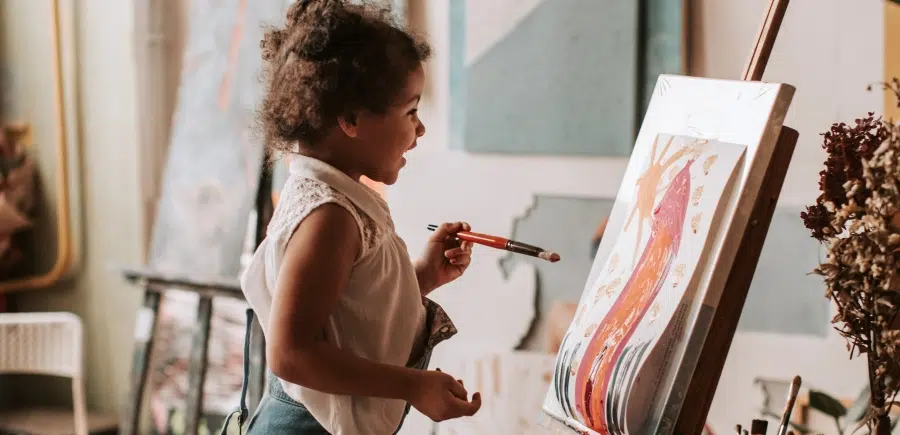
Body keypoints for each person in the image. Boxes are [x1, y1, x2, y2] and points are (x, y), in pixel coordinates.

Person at [224, 1, 482, 433]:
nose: (419, 130)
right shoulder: (329, 217)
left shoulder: (343, 199)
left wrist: (421, 277)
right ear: (350, 118)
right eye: (411, 111)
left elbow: (348, 312)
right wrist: (413, 386)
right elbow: (292, 353)